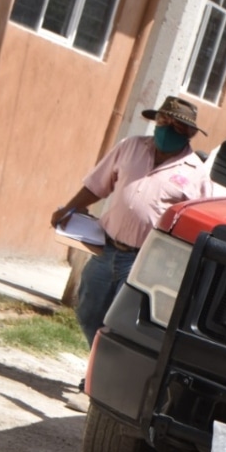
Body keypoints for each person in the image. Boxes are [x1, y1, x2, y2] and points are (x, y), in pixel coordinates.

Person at [50, 96, 213, 346]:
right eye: (163, 120)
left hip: (147, 260)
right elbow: (97, 185)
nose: (167, 128)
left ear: (190, 133)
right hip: (105, 249)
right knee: (87, 312)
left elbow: (199, 226)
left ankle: (101, 373)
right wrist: (69, 209)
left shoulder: (196, 173)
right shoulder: (130, 147)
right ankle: (98, 362)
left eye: (176, 125)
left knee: (121, 322)